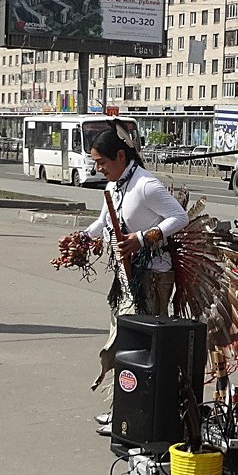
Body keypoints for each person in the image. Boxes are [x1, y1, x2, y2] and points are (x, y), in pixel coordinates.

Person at [67, 123, 189, 435]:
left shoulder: (146, 185)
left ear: (120, 156)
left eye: (101, 162)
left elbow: (180, 218)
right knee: (122, 344)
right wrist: (82, 238)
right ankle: (121, 409)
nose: (98, 168)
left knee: (145, 349)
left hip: (153, 278)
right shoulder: (112, 186)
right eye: (95, 162)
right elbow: (103, 222)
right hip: (126, 276)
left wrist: (143, 238)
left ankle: (141, 414)